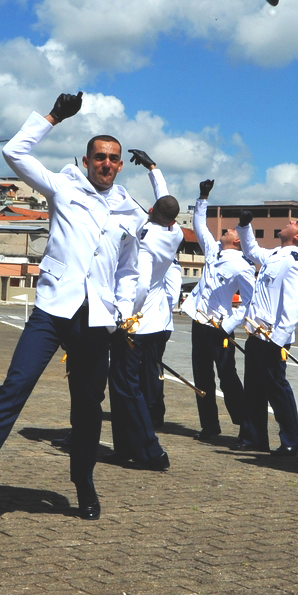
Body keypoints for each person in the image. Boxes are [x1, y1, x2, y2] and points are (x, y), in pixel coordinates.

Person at [0, 92, 142, 533]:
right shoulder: (65, 183)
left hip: (96, 319)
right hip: (53, 309)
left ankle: (83, 481)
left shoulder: (129, 209)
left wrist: (122, 309)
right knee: (13, 388)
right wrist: (54, 115)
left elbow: (131, 268)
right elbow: (13, 152)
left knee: (88, 409)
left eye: (114, 159)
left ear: (121, 165)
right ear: (87, 158)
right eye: (100, 157)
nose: (107, 164)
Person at [107, 149, 180, 470]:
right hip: (157, 322)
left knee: (126, 386)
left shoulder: (148, 239)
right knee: (124, 385)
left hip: (138, 323)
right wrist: (153, 169)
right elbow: (165, 201)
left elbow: (139, 282)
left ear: (150, 211)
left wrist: (125, 317)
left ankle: (150, 450)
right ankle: (123, 447)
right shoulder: (174, 233)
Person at [234, 208, 298, 458]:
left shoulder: (294, 261)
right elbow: (252, 251)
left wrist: (278, 339)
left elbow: (293, 304)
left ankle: (293, 440)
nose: (291, 221)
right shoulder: (277, 254)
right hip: (257, 334)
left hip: (271, 336)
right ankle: (254, 438)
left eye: (297, 222)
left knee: (277, 389)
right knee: (254, 389)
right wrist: (245, 226)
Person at [188, 180, 253, 440]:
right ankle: (209, 426)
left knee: (228, 378)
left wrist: (230, 325)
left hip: (220, 327)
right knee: (201, 377)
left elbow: (249, 301)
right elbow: (198, 226)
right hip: (199, 322)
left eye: (227, 230)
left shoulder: (242, 265)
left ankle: (245, 425)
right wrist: (203, 196)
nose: (224, 230)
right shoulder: (213, 251)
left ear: (236, 240)